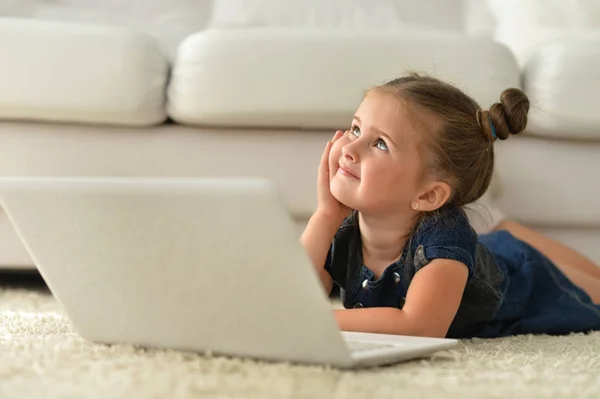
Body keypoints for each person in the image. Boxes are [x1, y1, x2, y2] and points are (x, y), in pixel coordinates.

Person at [300, 74, 600, 339]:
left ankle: (514, 238)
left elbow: (419, 326)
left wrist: (316, 321)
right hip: (486, 251)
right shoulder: (345, 229)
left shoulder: (445, 238)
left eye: (380, 143)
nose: (349, 149)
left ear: (429, 196)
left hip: (527, 279)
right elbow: (295, 291)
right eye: (355, 129)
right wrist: (325, 214)